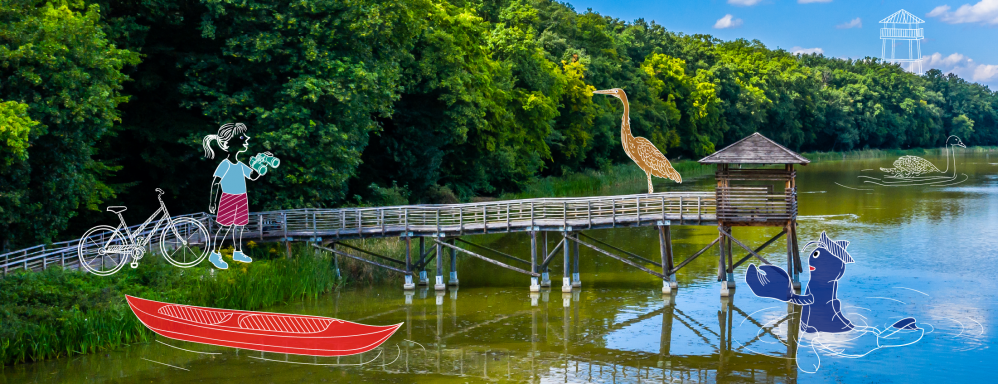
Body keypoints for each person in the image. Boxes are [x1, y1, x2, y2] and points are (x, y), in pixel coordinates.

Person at [202, 123, 271, 269]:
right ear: (229, 142)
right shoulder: (225, 164)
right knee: (224, 227)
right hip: (228, 198)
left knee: (239, 226)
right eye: (241, 137)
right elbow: (215, 183)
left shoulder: (240, 165)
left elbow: (252, 176)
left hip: (241, 198)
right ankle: (215, 254)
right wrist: (213, 202)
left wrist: (260, 165)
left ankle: (238, 251)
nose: (246, 138)